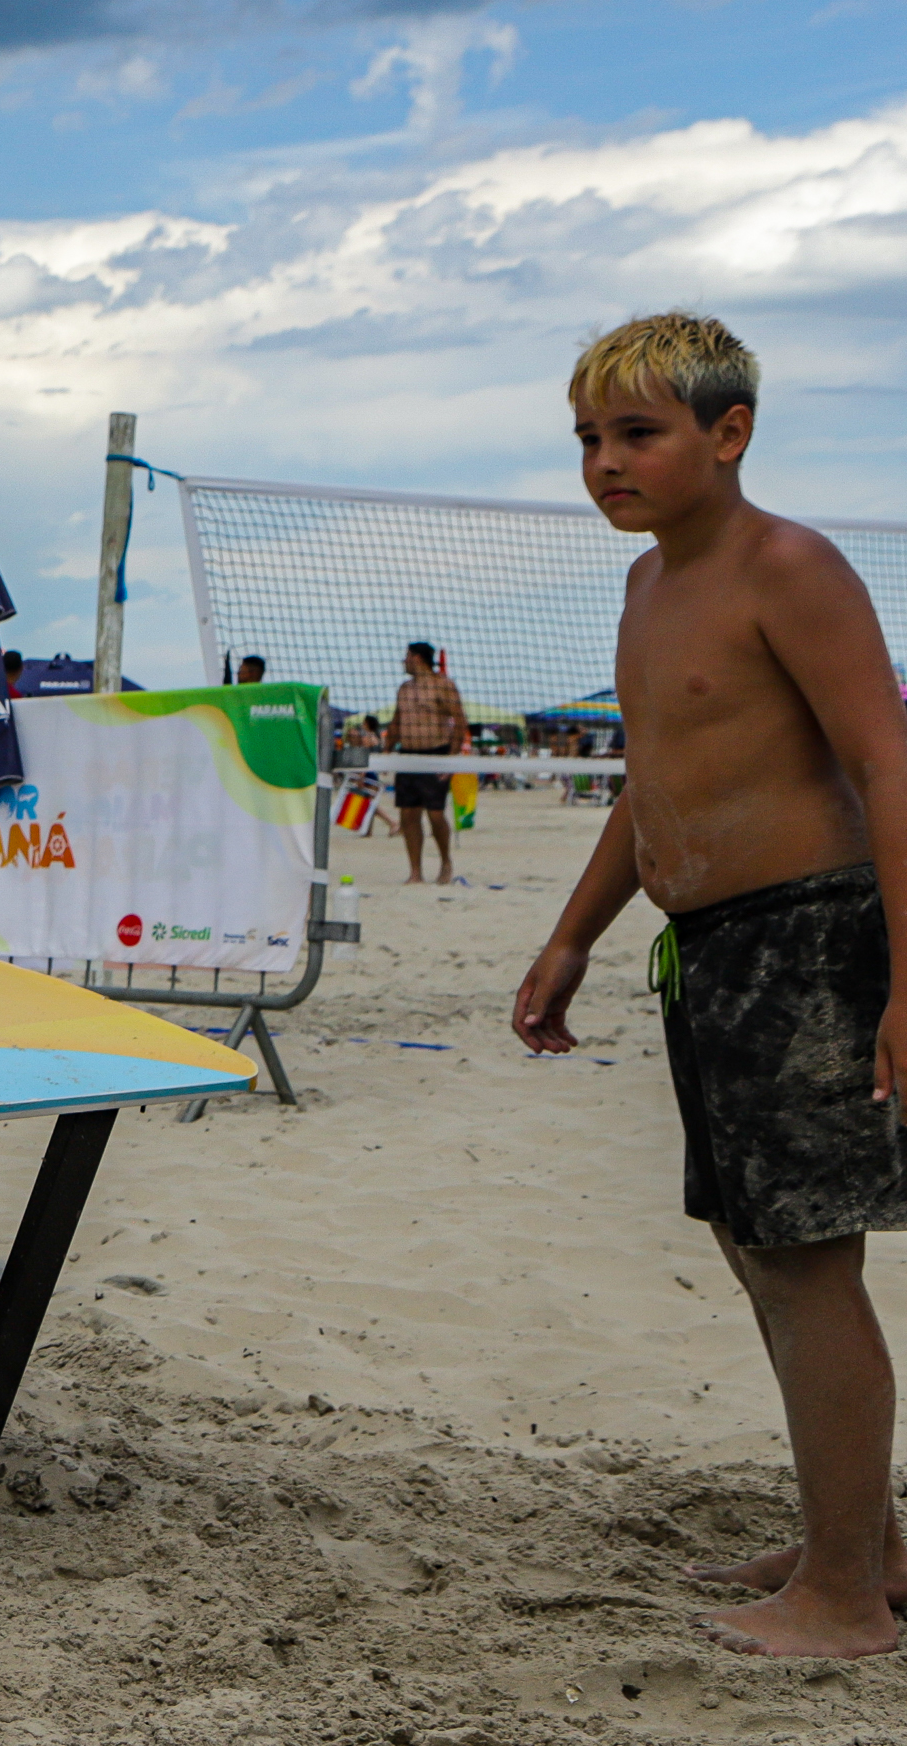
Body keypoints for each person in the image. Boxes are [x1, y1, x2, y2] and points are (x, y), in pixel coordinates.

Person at [512, 315, 907, 1660]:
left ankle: (847, 1598)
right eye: (589, 440)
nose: (606, 462)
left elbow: (888, 762)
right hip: (713, 954)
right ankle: (869, 1541)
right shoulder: (643, 589)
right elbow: (656, 785)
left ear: (728, 434)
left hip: (813, 943)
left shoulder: (784, 566)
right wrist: (573, 938)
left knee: (806, 1265)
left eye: (638, 434)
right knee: (758, 1252)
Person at [385, 641, 467, 882]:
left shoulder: (443, 685)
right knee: (408, 816)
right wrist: (385, 752)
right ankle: (415, 872)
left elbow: (460, 721)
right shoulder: (404, 688)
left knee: (435, 815)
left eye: (406, 656)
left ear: (417, 658)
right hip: (408, 756)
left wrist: (450, 761)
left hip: (436, 755)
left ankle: (445, 862)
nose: (404, 661)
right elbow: (396, 722)